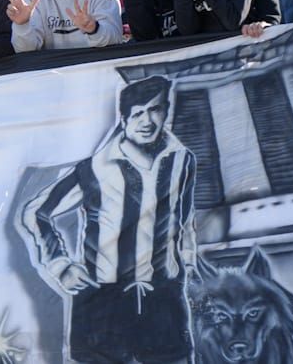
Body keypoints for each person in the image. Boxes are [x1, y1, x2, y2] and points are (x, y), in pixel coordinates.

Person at [22, 76, 196, 364]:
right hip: (103, 300)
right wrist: (59, 264)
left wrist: (188, 263)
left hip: (163, 298)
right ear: (124, 118)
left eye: (154, 110)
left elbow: (185, 217)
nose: (147, 120)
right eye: (138, 112)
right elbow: (36, 212)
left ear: (166, 110)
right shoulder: (93, 168)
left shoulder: (182, 160)